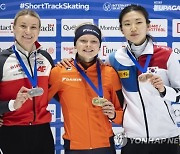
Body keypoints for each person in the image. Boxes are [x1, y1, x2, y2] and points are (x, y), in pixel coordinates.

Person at [60, 4, 180, 154]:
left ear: (148, 25)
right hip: (132, 138)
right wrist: (70, 62)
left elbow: (179, 94)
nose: (133, 28)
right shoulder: (115, 58)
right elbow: (91, 67)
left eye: (138, 22)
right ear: (121, 29)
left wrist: (163, 90)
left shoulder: (167, 55)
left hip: (167, 136)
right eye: (127, 24)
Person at [48, 23, 124, 154]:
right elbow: (39, 102)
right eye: (83, 40)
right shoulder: (59, 72)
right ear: (75, 44)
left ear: (99, 46)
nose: (88, 45)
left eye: (94, 41)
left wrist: (114, 115)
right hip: (74, 147)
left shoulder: (110, 73)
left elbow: (123, 113)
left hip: (105, 145)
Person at [0, 9, 54, 154]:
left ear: (39, 30)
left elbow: (58, 89)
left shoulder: (46, 58)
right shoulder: (2, 60)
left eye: (33, 27)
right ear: (13, 28)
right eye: (23, 26)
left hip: (43, 131)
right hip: (12, 132)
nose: (28, 31)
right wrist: (13, 104)